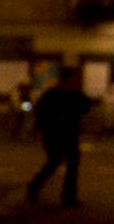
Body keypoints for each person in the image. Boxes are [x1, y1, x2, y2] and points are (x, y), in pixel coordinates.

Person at [28, 71, 92, 206]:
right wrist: (49, 125)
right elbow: (41, 111)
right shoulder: (53, 94)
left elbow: (86, 106)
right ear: (66, 80)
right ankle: (34, 187)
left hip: (71, 135)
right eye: (73, 80)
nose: (75, 82)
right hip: (55, 135)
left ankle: (69, 197)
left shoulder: (75, 94)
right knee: (53, 163)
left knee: (72, 166)